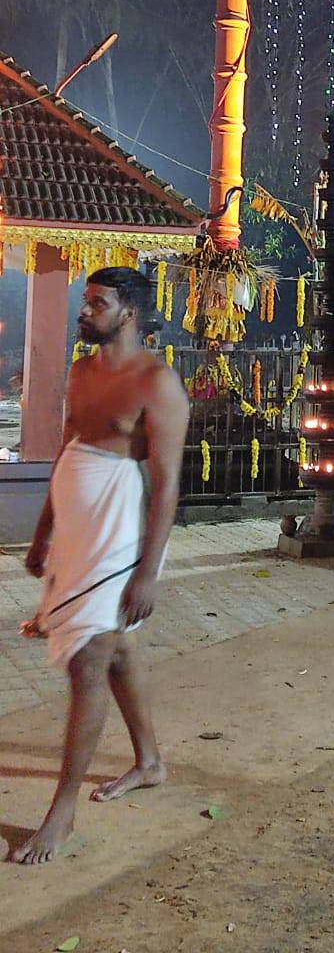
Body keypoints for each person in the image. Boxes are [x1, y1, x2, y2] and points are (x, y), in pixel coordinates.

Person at [13, 267, 189, 865]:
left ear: (130, 313)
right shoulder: (82, 371)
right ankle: (149, 761)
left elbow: (166, 485)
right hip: (75, 527)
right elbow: (67, 447)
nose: (83, 312)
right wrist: (43, 534)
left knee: (90, 658)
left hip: (118, 532)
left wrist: (148, 571)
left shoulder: (158, 383)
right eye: (85, 302)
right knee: (116, 652)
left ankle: (61, 814)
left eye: (96, 303)